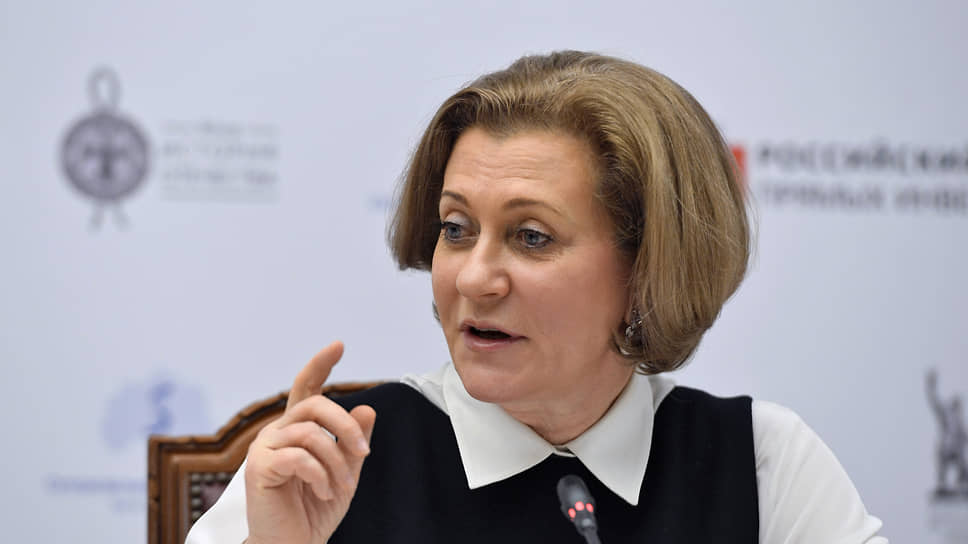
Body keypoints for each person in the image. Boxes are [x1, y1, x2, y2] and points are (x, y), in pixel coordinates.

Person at [186, 51, 887, 543]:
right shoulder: (327, 460)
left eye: (531, 237)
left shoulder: (761, 463)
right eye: (456, 229)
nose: (473, 278)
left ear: (650, 265)